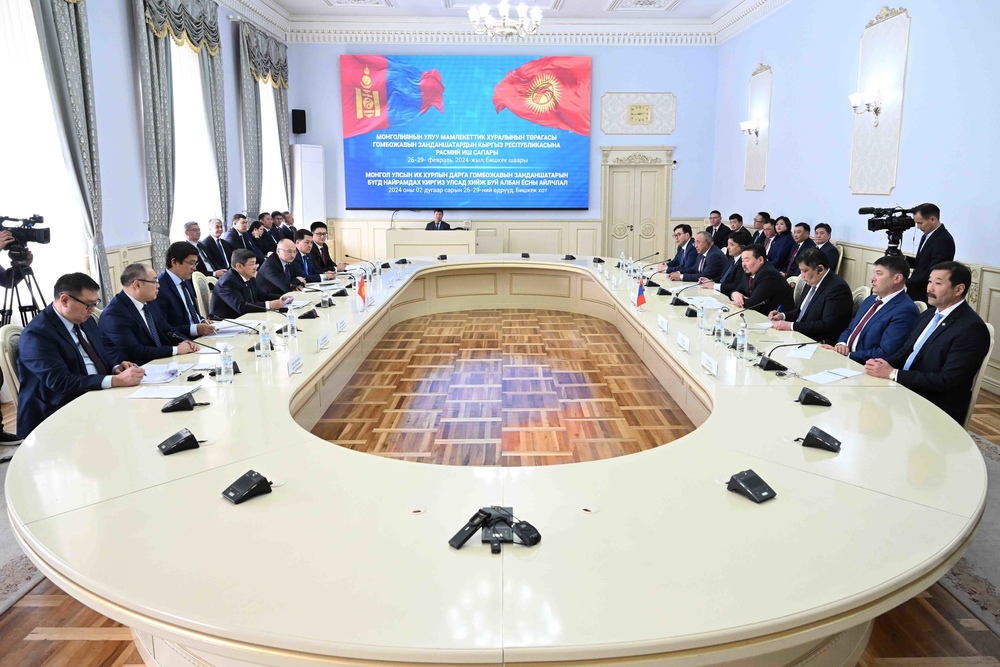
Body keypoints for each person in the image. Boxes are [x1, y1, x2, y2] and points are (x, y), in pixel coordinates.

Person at [16, 273, 145, 439]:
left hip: (94, 395)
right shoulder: (37, 335)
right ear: (65, 300)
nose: (92, 310)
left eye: (95, 303)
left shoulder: (84, 319)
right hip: (58, 411)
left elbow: (100, 352)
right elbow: (60, 382)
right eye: (88, 305)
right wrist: (115, 380)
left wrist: (115, 368)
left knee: (142, 416)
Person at [866, 261, 990, 424]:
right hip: (904, 391)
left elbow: (946, 381)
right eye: (930, 281)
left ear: (959, 289)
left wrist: (893, 374)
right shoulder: (928, 315)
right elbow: (905, 352)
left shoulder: (971, 328)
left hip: (934, 408)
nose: (929, 288)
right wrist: (879, 364)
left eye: (938, 283)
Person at [823, 255, 919, 363]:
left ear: (897, 278)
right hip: (846, 359)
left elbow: (887, 352)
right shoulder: (870, 300)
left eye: (879, 274)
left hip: (866, 366)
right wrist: (841, 344)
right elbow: (851, 328)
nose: (873, 278)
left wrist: (848, 356)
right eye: (874, 273)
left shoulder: (905, 310)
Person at [99, 263, 200, 366]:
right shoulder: (114, 315)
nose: (158, 285)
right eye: (154, 281)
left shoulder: (149, 302)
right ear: (137, 285)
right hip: (137, 369)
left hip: (161, 362)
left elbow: (167, 330)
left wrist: (185, 341)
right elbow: (137, 351)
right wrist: (176, 350)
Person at [768, 248, 853, 344]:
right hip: (798, 336)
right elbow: (802, 312)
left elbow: (826, 325)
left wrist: (791, 326)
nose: (802, 275)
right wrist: (783, 316)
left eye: (804, 271)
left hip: (818, 342)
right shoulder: (812, 281)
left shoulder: (837, 289)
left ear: (820, 269)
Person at [154, 242, 216, 338]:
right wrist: (195, 329)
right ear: (174, 262)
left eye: (195, 263)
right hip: (183, 340)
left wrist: (202, 320)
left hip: (201, 335)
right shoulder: (159, 288)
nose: (194, 268)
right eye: (191, 263)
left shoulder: (185, 279)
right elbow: (164, 329)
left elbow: (191, 312)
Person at [210, 249, 291, 319]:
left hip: (247, 318)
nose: (255, 267)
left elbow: (261, 295)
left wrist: (281, 298)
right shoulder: (227, 283)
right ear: (239, 266)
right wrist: (269, 305)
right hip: (228, 321)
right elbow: (241, 307)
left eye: (255, 263)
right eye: (252, 264)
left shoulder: (249, 277)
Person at [722, 243, 794, 314]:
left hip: (774, 317)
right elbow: (738, 290)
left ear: (760, 260)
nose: (743, 264)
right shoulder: (749, 272)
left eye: (747, 260)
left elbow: (752, 305)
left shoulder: (768, 274)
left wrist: (738, 300)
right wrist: (734, 294)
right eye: (742, 260)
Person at [905, 203, 955, 304]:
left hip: (926, 295)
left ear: (932, 219)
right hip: (915, 292)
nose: (918, 227)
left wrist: (905, 281)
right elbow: (922, 263)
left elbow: (935, 271)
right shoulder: (926, 236)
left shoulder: (944, 240)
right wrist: (904, 259)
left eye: (920, 223)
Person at [700, 228, 751, 295]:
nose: (728, 247)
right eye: (728, 244)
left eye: (731, 245)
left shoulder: (743, 263)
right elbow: (723, 277)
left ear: (742, 247)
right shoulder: (732, 258)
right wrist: (710, 281)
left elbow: (736, 285)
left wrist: (714, 285)